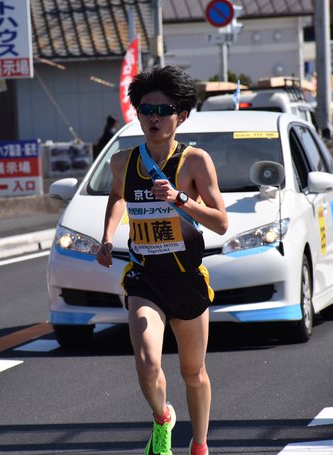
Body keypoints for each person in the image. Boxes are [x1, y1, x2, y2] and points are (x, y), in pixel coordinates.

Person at [96, 66, 228, 455]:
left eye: (164, 110)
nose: (154, 118)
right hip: (145, 276)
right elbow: (117, 197)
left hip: (186, 277)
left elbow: (221, 222)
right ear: (137, 113)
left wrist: (180, 199)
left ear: (181, 116)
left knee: (193, 372)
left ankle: (200, 445)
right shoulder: (122, 161)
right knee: (147, 357)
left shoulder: (195, 162)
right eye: (146, 110)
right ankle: (162, 417)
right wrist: (107, 238)